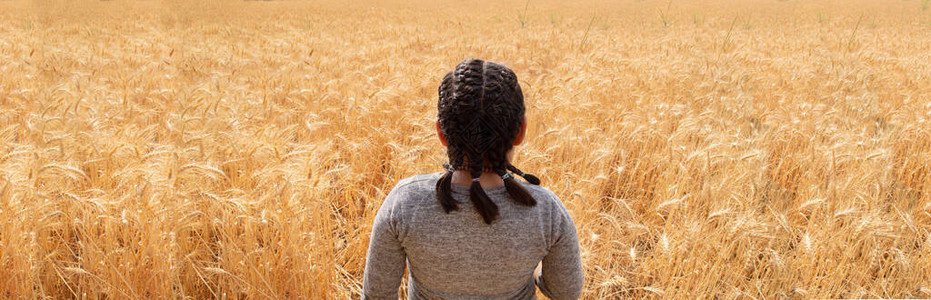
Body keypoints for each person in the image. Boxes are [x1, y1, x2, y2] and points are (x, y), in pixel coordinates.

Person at [362, 59, 583, 299]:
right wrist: (531, 263)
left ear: (441, 132)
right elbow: (566, 292)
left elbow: (377, 295)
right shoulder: (546, 212)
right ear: (521, 130)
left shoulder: (405, 203)